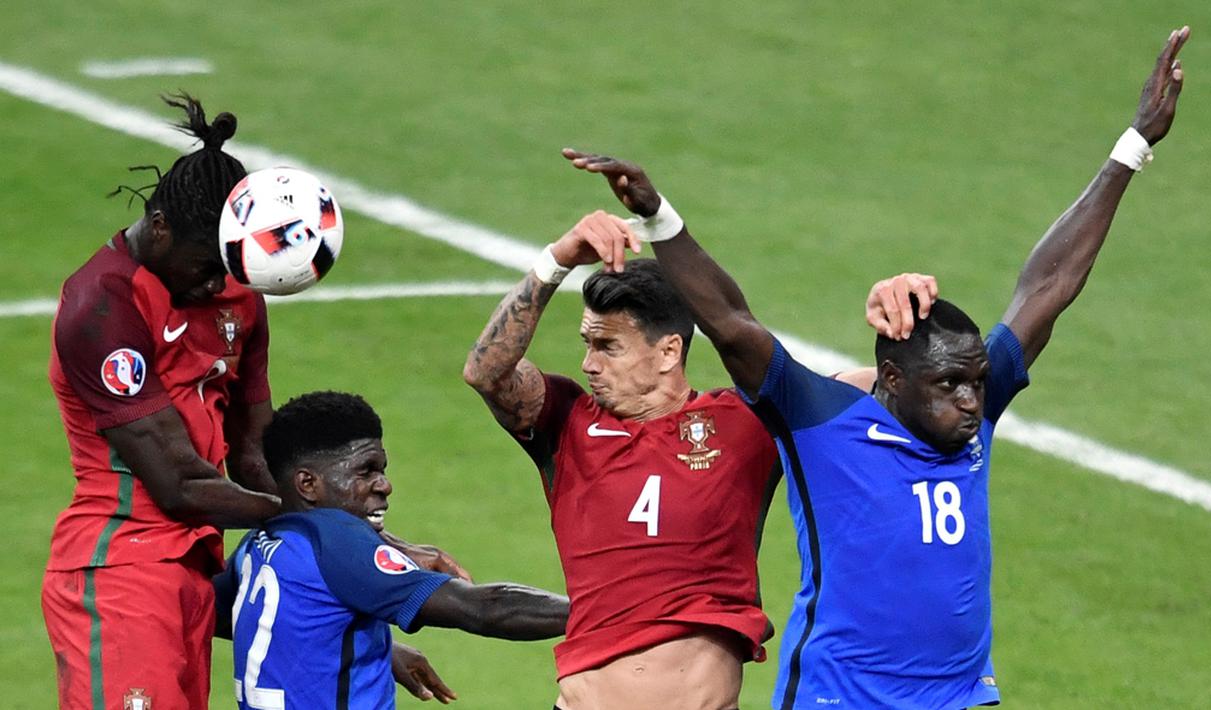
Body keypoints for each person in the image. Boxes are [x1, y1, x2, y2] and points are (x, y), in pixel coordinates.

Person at [561, 25, 1188, 709]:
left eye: (976, 382)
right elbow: (732, 323)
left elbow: (1047, 286)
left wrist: (1132, 147)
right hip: (840, 698)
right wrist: (657, 216)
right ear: (891, 382)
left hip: (959, 698)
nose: (971, 401)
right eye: (947, 386)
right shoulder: (818, 424)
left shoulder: (973, 415)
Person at [41, 94, 462, 710]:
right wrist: (359, 547)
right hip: (120, 573)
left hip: (200, 573)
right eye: (208, 265)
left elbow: (260, 457)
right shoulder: (100, 310)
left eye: (232, 264)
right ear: (160, 227)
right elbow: (179, 485)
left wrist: (356, 623)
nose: (220, 283)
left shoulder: (238, 295)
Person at [463, 209, 906, 708]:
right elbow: (487, 372)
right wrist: (557, 259)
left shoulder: (746, 422)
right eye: (586, 344)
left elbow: (903, 389)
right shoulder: (565, 423)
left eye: (608, 346)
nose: (589, 363)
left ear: (669, 351)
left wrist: (908, 318)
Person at [215, 391, 569, 708]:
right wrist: (594, 612)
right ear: (308, 484)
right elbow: (479, 608)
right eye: (365, 471)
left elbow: (240, 619)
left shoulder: (259, 545)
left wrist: (366, 646)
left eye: (382, 470)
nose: (385, 485)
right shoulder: (339, 542)